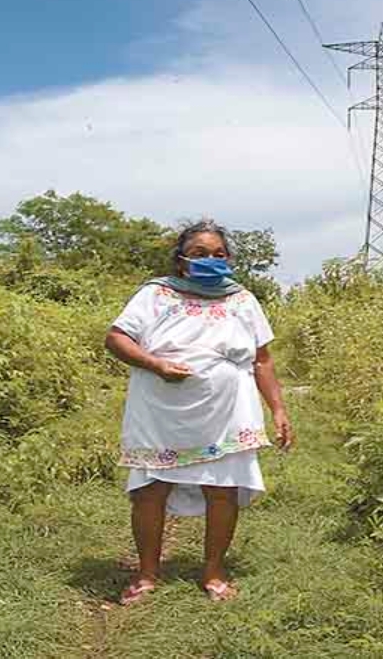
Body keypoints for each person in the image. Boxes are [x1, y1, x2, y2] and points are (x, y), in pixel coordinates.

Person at [104, 219, 293, 604]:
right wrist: (157, 365)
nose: (211, 260)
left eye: (219, 254)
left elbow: (262, 360)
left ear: (230, 259)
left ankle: (213, 572)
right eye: (199, 254)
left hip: (228, 411)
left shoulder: (241, 299)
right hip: (160, 409)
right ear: (181, 261)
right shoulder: (156, 294)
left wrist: (278, 409)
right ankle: (147, 574)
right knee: (150, 490)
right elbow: (116, 338)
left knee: (222, 490)